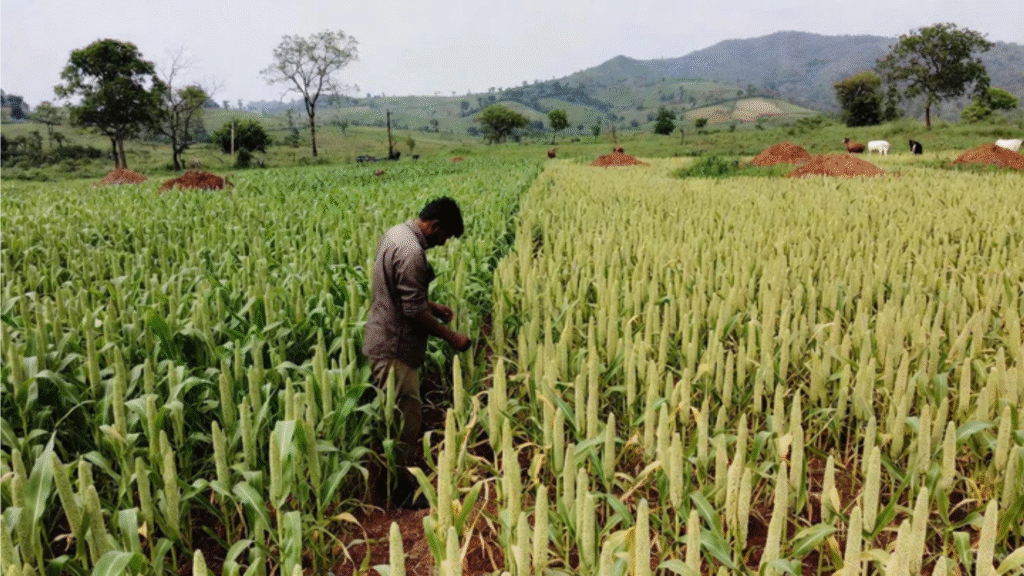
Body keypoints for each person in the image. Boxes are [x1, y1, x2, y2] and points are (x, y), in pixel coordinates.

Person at [363, 196, 472, 507]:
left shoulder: (395, 234)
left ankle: (385, 484)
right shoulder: (413, 254)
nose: (443, 243)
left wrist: (434, 307)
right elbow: (412, 310)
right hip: (396, 348)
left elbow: (399, 291)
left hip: (381, 337)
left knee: (389, 416)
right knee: (405, 422)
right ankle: (401, 492)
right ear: (435, 226)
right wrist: (452, 338)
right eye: (445, 236)